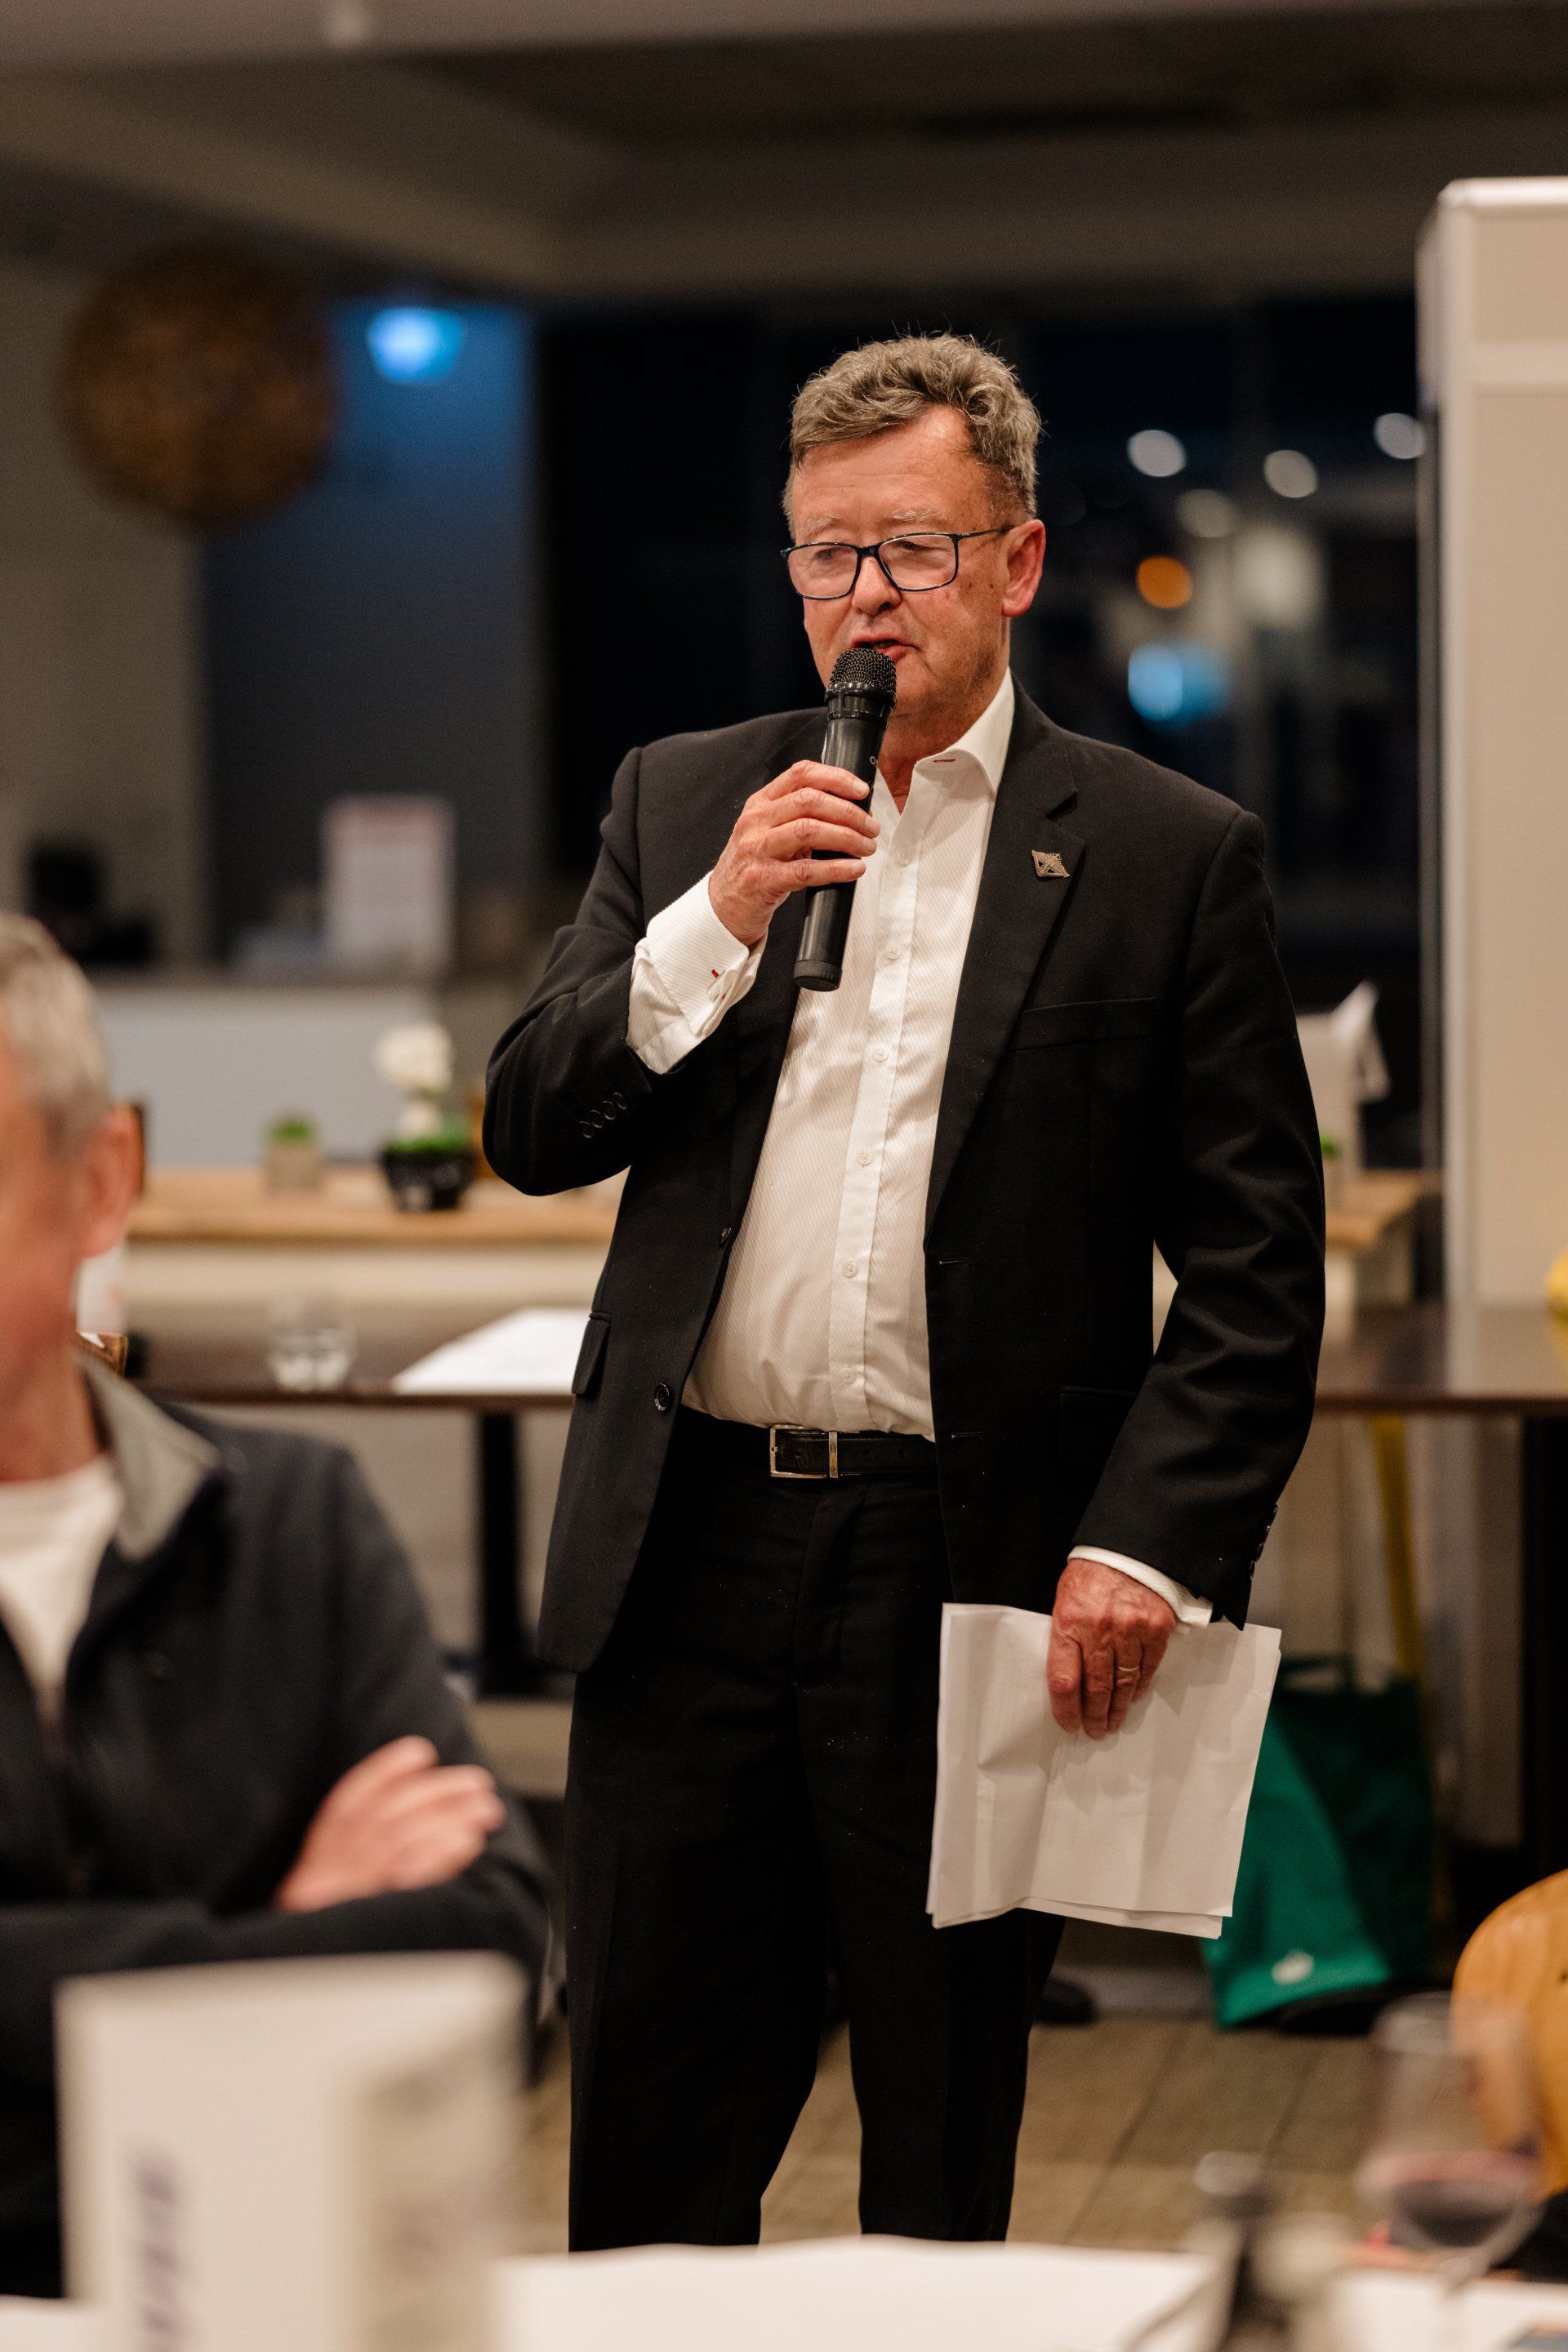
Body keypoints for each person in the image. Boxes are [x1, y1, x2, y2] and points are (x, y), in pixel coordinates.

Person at [485, 333, 1325, 2249]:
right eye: (826, 558)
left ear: (1018, 565)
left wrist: (1150, 1544)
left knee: (942, 2128)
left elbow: (1260, 1269)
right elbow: (531, 1123)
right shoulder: (684, 797)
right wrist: (719, 918)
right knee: (649, 2115)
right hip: (684, 1548)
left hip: (967, 1565)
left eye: (913, 553)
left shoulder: (1166, 857)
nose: (864, 603)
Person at [0, 916, 551, 2300]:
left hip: (268, 2292)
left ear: (100, 1182)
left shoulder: (285, 1524)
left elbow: (493, 1956)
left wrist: (91, 1997)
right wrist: (272, 1946)